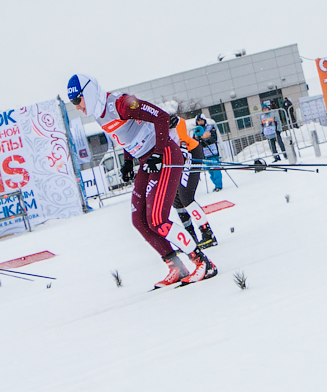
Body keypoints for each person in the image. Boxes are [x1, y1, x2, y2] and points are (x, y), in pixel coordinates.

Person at [68, 73, 216, 288]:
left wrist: (158, 152)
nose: (77, 107)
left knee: (157, 218)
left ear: (88, 93)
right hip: (147, 160)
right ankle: (175, 266)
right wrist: (128, 161)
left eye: (77, 100)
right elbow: (128, 135)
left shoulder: (120, 103)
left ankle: (202, 262)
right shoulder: (99, 114)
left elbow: (162, 117)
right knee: (139, 220)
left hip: (164, 155)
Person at [168, 105, 216, 250]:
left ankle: (207, 234)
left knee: (186, 198)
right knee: (176, 200)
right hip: (175, 161)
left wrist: (181, 152)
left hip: (190, 153)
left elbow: (181, 137)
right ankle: (191, 236)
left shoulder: (174, 122)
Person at [193, 114, 224, 192]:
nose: (200, 122)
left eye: (201, 120)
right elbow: (194, 141)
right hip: (204, 155)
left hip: (213, 152)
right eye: (198, 121)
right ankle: (215, 184)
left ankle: (218, 185)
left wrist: (206, 142)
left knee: (216, 169)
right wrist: (199, 143)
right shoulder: (196, 130)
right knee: (210, 171)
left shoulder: (210, 127)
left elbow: (214, 138)